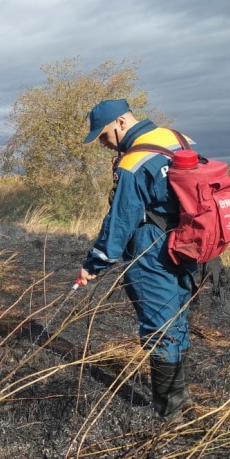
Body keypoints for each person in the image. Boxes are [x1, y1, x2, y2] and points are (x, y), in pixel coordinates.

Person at [77, 99, 198, 422]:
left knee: (160, 327)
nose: (102, 144)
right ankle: (180, 398)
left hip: (152, 250)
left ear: (119, 122)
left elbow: (119, 224)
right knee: (176, 320)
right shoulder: (176, 138)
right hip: (188, 244)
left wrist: (94, 265)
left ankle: (169, 413)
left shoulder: (132, 163)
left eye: (103, 136)